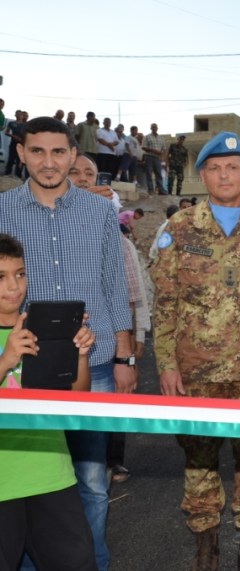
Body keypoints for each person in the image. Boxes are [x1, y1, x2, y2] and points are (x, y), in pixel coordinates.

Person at [151, 131, 240, 570]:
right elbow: (165, 304)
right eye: (215, 167)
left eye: (233, 167)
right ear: (202, 175)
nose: (225, 174)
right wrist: (167, 365)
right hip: (195, 376)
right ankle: (205, 546)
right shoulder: (178, 229)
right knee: (199, 464)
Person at [0, 116, 136, 571]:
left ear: (74, 155)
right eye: (37, 151)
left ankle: (88, 563)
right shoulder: (1, 212)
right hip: (21, 369)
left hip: (92, 367)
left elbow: (115, 287)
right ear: (21, 154)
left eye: (59, 152)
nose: (49, 162)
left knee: (92, 483)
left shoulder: (99, 212)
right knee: (27, 486)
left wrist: (125, 356)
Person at [0, 233, 98, 571]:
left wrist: (80, 356)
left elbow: (75, 399)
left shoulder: (41, 328)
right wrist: (5, 359)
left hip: (51, 475)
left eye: (20, 273)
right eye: (0, 277)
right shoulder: (15, 342)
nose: (13, 286)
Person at [142, 123, 166, 195]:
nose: (154, 128)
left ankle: (161, 190)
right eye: (153, 127)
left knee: (158, 174)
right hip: (149, 157)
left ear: (157, 128)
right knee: (149, 174)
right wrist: (153, 150)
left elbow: (164, 148)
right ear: (151, 128)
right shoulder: (147, 137)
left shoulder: (161, 138)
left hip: (157, 158)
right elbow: (143, 147)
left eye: (155, 127)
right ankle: (150, 190)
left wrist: (161, 154)